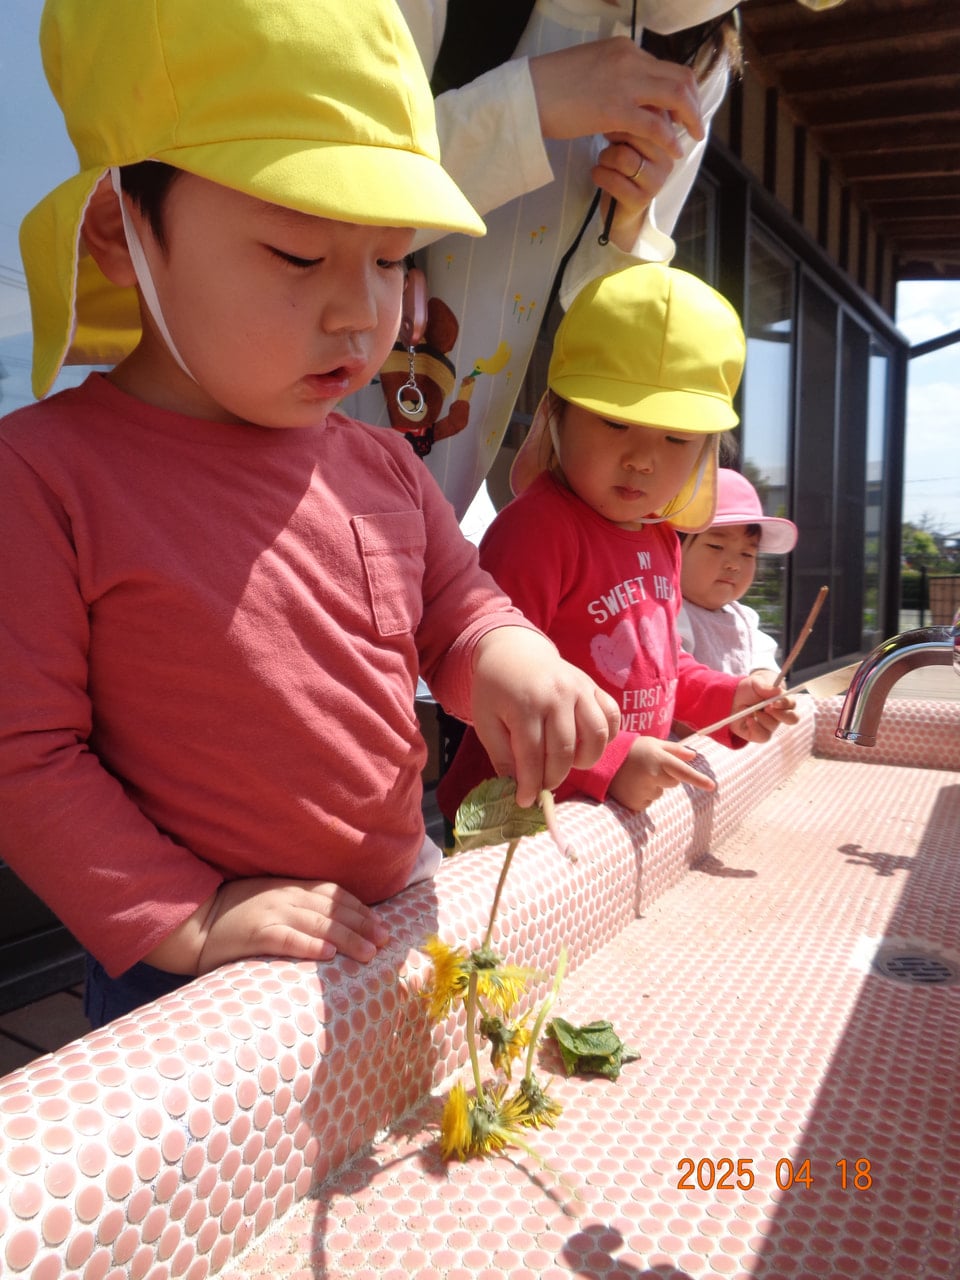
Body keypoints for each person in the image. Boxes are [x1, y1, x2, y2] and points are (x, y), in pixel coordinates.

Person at [0, 0, 621, 1025]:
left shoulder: (381, 463)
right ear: (123, 233)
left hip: (394, 915)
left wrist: (516, 661)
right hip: (191, 977)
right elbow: (24, 755)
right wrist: (190, 917)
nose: (360, 312)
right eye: (298, 255)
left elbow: (456, 610)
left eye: (387, 259)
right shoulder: (47, 475)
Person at [347, 0, 742, 518]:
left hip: (437, 505)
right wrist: (526, 105)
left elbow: (603, 338)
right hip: (281, 450)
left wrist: (625, 228)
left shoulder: (696, 49)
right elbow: (312, 198)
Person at [437, 263, 798, 821]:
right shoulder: (535, 532)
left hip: (613, 816)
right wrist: (610, 759)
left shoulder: (662, 537)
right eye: (614, 423)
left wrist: (730, 699)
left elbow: (661, 668)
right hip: (517, 818)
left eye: (676, 437)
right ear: (556, 415)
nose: (642, 458)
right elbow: (495, 692)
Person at [677, 468, 799, 680]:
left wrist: (764, 677)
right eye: (716, 546)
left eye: (747, 554)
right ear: (673, 550)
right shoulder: (673, 616)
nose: (734, 565)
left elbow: (762, 657)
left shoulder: (744, 618)